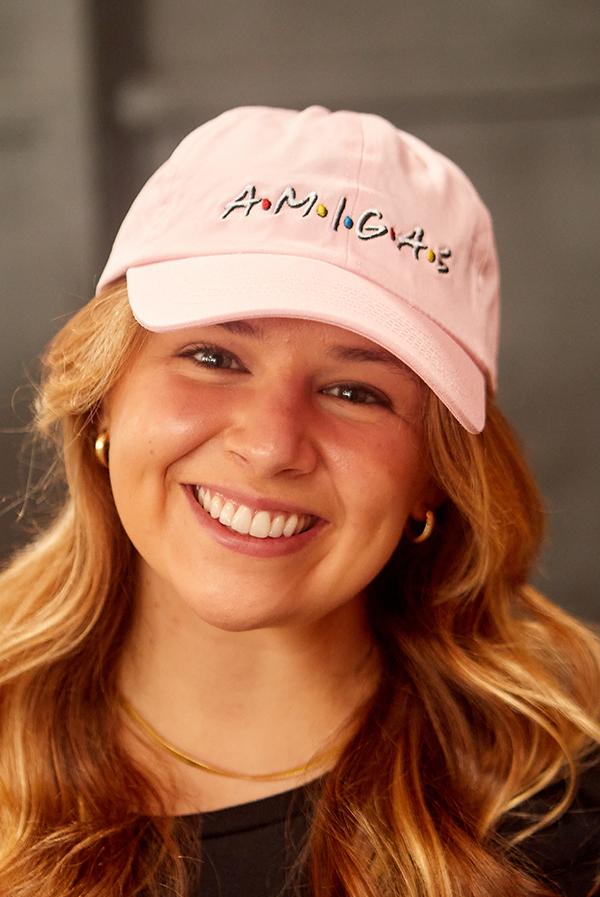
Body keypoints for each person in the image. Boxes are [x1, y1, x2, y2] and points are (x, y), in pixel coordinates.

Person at [0, 104, 598, 897]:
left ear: (433, 474)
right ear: (104, 396)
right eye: (213, 355)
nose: (273, 443)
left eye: (356, 390)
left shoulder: (559, 803)